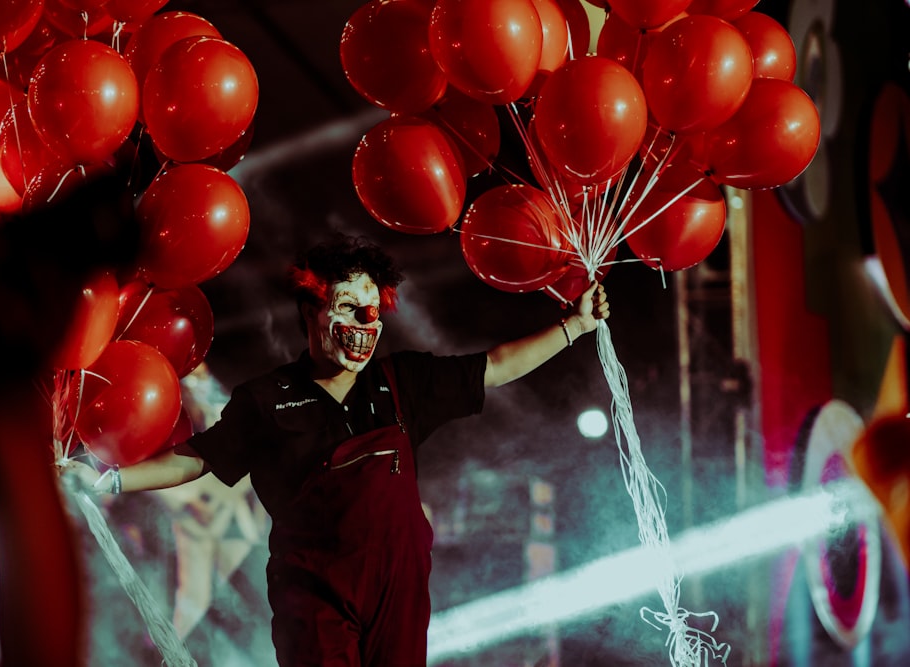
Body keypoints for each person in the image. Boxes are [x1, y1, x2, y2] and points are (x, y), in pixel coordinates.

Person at [64, 234, 610, 667]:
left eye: (372, 313)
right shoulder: (267, 398)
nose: (362, 328)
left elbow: (496, 366)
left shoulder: (404, 383)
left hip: (398, 593)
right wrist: (109, 478)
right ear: (311, 311)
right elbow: (199, 457)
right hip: (315, 600)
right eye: (348, 309)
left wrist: (576, 325)